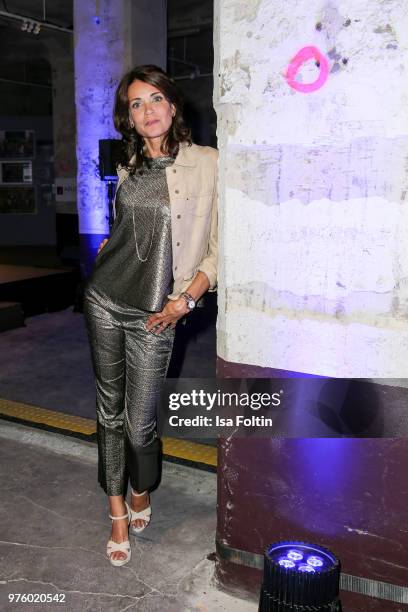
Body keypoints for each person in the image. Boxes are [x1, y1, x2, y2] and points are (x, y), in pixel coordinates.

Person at [83, 65, 218, 566]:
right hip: (104, 301)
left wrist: (187, 299)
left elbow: (220, 247)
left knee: (141, 426)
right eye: (136, 104)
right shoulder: (128, 163)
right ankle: (117, 508)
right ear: (130, 118)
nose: (148, 110)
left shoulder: (207, 163)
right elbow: (125, 232)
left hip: (157, 314)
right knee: (108, 412)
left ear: (174, 105)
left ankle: (143, 486)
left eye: (155, 98)